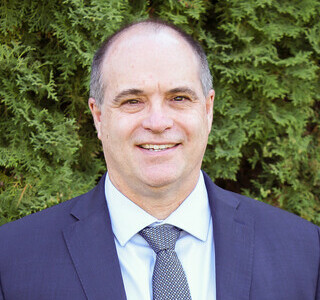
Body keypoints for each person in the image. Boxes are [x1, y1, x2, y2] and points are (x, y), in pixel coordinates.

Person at [0, 19, 319, 300]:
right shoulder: (12, 260)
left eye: (179, 98)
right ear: (98, 117)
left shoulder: (305, 251)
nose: (157, 122)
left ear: (207, 110)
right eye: (133, 101)